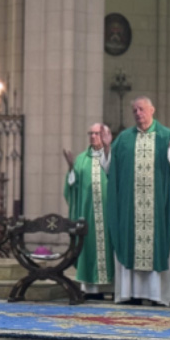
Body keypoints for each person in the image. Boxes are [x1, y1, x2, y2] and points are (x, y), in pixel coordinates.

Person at [107, 96, 170, 306]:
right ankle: (128, 294)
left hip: (157, 208)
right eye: (134, 110)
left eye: (141, 109)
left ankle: (156, 295)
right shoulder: (124, 139)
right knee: (129, 244)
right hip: (129, 208)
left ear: (152, 110)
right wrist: (106, 149)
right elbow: (110, 169)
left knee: (157, 247)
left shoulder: (165, 136)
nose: (138, 113)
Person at [63, 123, 114, 299]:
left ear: (107, 135)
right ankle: (91, 289)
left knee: (110, 245)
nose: (93, 136)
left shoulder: (113, 156)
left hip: (110, 213)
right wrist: (71, 168)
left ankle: (112, 288)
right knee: (89, 245)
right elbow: (72, 187)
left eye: (97, 133)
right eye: (90, 133)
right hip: (88, 213)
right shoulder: (81, 159)